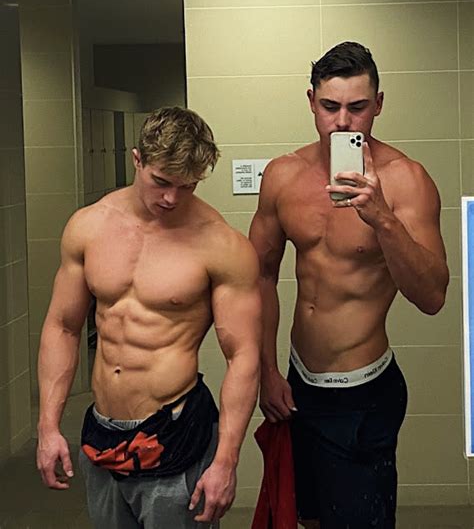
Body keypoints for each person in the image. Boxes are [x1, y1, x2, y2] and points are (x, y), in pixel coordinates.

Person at [249, 41, 449, 529]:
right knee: (309, 519)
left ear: (378, 104)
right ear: (311, 102)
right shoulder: (282, 175)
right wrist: (266, 370)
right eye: (330, 106)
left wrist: (382, 219)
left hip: (363, 395)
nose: (342, 122)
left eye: (357, 107)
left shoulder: (406, 181)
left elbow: (432, 297)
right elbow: (260, 276)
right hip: (298, 383)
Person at [36, 106, 261, 528]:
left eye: (187, 186)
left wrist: (226, 461)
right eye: (161, 181)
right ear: (137, 159)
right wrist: (48, 427)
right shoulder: (88, 226)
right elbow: (63, 327)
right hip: (103, 433)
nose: (172, 198)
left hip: (175, 433)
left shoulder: (221, 245)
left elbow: (243, 355)